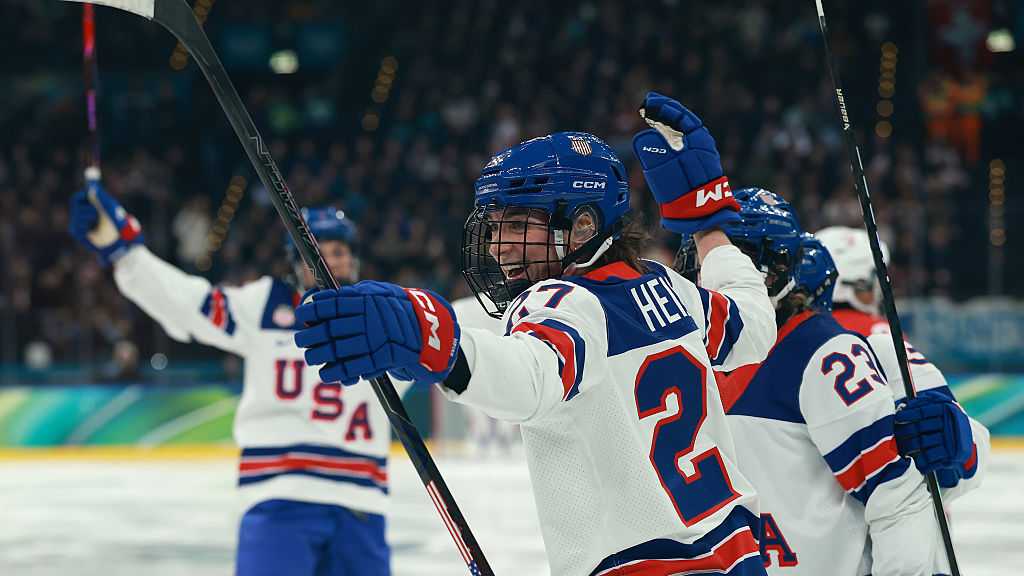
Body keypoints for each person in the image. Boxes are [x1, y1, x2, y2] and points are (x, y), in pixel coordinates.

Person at [293, 93, 777, 575]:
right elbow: (753, 328)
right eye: (494, 227)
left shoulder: (560, 302)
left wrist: (436, 343)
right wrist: (707, 225)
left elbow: (530, 375)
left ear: (583, 226)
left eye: (519, 224)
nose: (498, 247)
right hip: (740, 559)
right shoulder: (669, 287)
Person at [69, 182, 396, 576]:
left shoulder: (384, 315)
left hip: (361, 505)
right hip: (280, 496)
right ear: (295, 261)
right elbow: (192, 304)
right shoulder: (263, 304)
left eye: (338, 252)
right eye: (316, 252)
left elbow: (446, 342)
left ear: (354, 259)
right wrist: (127, 254)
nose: (327, 261)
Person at [674, 189, 983, 575]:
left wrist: (957, 446)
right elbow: (950, 465)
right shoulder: (872, 341)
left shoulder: (830, 348)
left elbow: (907, 482)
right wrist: (960, 447)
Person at [816, 226, 989, 498]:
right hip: (886, 506)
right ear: (860, 286)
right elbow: (961, 451)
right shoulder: (883, 336)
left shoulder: (777, 337)